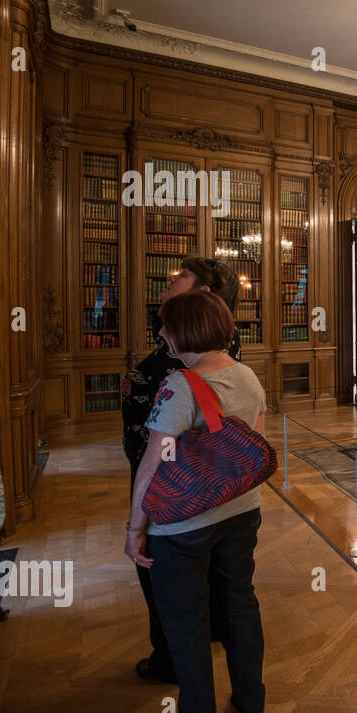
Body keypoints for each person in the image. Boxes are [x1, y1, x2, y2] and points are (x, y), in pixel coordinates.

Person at [125, 290, 268, 713]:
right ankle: (250, 701)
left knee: (187, 622)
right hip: (242, 512)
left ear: (183, 330)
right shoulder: (247, 375)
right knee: (240, 604)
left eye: (165, 324)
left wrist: (134, 529)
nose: (161, 332)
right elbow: (256, 450)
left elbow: (153, 464)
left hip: (182, 526)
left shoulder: (179, 385)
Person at [120, 256, 241, 685]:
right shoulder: (206, 336)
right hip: (189, 479)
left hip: (170, 481)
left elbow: (166, 441)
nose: (171, 278)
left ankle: (173, 659)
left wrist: (139, 519)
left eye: (182, 276)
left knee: (164, 572)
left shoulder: (192, 348)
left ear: (203, 294)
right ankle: (201, 640)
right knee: (204, 569)